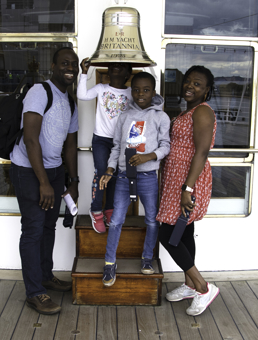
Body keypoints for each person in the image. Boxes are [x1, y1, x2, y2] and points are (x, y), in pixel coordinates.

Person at [9, 47, 79, 315]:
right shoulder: (40, 92)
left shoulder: (70, 100)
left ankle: (46, 276)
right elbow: (30, 139)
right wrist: (44, 182)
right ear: (53, 66)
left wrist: (73, 180)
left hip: (55, 170)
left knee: (49, 228)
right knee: (34, 230)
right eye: (64, 63)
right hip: (29, 171)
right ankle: (34, 292)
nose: (69, 68)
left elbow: (71, 145)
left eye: (73, 64)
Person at [156, 65, 218, 316]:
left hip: (188, 181)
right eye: (188, 82)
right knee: (184, 232)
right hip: (176, 179)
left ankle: (203, 287)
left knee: (168, 234)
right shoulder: (188, 111)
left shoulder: (202, 112)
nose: (190, 87)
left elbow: (201, 152)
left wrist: (188, 188)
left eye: (197, 84)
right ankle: (189, 284)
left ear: (207, 90)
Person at [99, 72, 170, 286]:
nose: (141, 94)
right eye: (137, 90)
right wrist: (110, 169)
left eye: (146, 90)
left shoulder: (160, 117)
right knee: (117, 219)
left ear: (153, 92)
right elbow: (117, 146)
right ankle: (110, 263)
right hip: (122, 176)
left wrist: (149, 156)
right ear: (132, 92)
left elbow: (166, 145)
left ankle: (147, 258)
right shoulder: (124, 116)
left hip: (148, 176)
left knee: (151, 219)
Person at [77, 58, 132, 233]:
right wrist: (84, 73)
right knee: (101, 172)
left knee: (115, 175)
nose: (117, 66)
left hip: (120, 141)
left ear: (128, 74)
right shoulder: (101, 88)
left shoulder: (132, 93)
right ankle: (96, 210)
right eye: (114, 64)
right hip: (101, 139)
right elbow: (82, 95)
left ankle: (109, 209)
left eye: (122, 65)